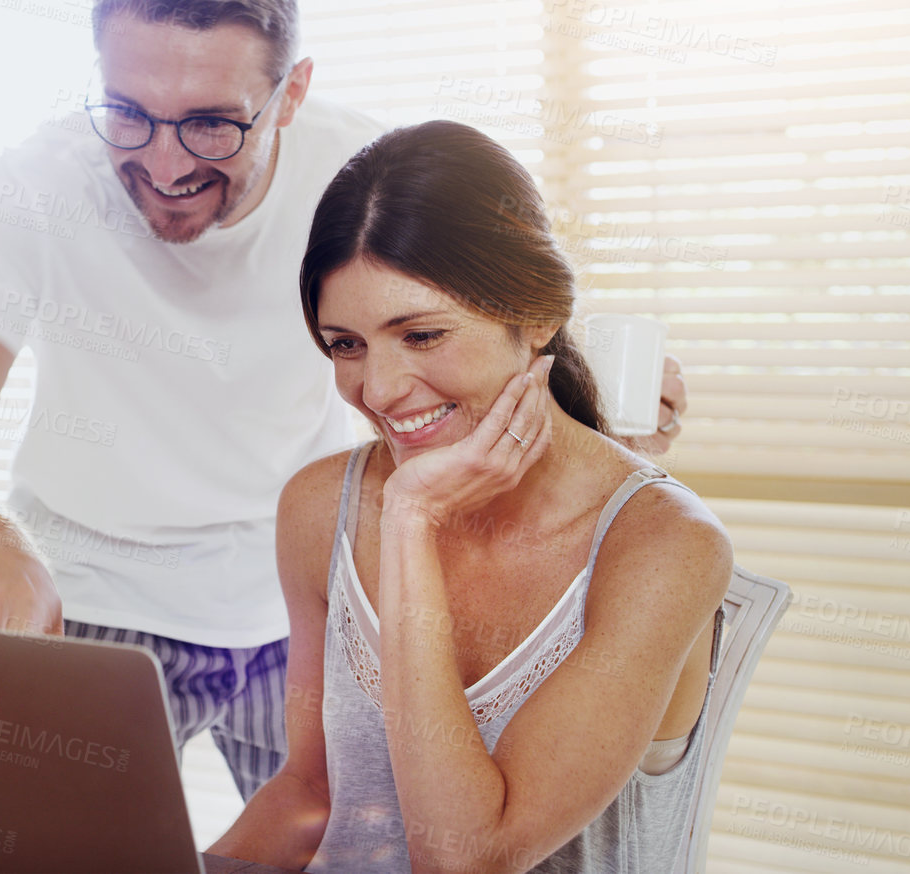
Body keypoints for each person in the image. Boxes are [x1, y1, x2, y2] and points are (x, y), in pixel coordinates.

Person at [0, 0, 689, 802]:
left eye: (210, 124)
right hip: (92, 598)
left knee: (351, 851)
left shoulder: (358, 177)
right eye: (128, 113)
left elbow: (484, 326)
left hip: (306, 603)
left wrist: (596, 407)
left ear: (290, 93)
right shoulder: (34, 190)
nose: (163, 163)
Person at [208, 120, 732, 872]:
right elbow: (311, 792)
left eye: (420, 335)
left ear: (537, 315)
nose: (378, 389)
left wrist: (411, 518)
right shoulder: (319, 506)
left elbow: (469, 859)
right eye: (345, 344)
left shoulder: (662, 548)